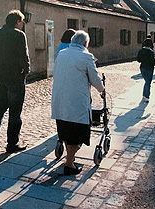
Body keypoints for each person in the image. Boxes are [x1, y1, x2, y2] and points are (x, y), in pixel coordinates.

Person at [51, 30, 104, 175]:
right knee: (75, 131)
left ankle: (70, 159)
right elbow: (94, 79)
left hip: (60, 99)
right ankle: (69, 164)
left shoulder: (62, 54)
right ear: (85, 43)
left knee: (66, 129)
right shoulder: (86, 56)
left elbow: (56, 73)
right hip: (76, 100)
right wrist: (102, 89)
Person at [0, 10, 30, 153]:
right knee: (15, 112)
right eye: (22, 22)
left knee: (0, 107)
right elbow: (24, 56)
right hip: (15, 78)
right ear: (17, 22)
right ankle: (12, 144)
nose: (22, 25)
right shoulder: (19, 35)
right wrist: (26, 70)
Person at [137, 38, 155, 103]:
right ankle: (146, 96)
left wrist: (143, 59)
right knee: (148, 82)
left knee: (146, 81)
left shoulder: (141, 51)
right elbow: (152, 61)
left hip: (142, 67)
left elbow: (138, 60)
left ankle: (144, 95)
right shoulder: (150, 52)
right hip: (149, 68)